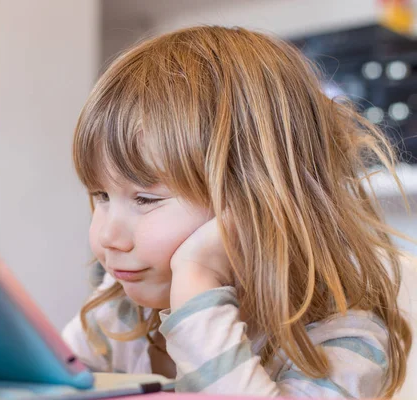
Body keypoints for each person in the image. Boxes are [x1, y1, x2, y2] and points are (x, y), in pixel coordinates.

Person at [62, 25, 413, 398]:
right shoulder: (121, 308)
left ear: (260, 200)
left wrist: (196, 282)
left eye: (146, 200)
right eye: (101, 195)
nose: (106, 237)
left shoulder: (342, 342)